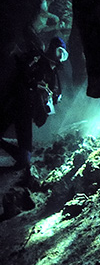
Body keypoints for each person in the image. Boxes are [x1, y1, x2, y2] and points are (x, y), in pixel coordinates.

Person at [1, 34, 67, 176]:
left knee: (24, 160)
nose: (61, 57)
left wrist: (52, 98)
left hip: (27, 115)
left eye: (64, 54)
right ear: (53, 49)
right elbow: (21, 77)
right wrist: (35, 85)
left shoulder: (54, 74)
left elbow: (54, 96)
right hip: (15, 105)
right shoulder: (37, 60)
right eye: (59, 51)